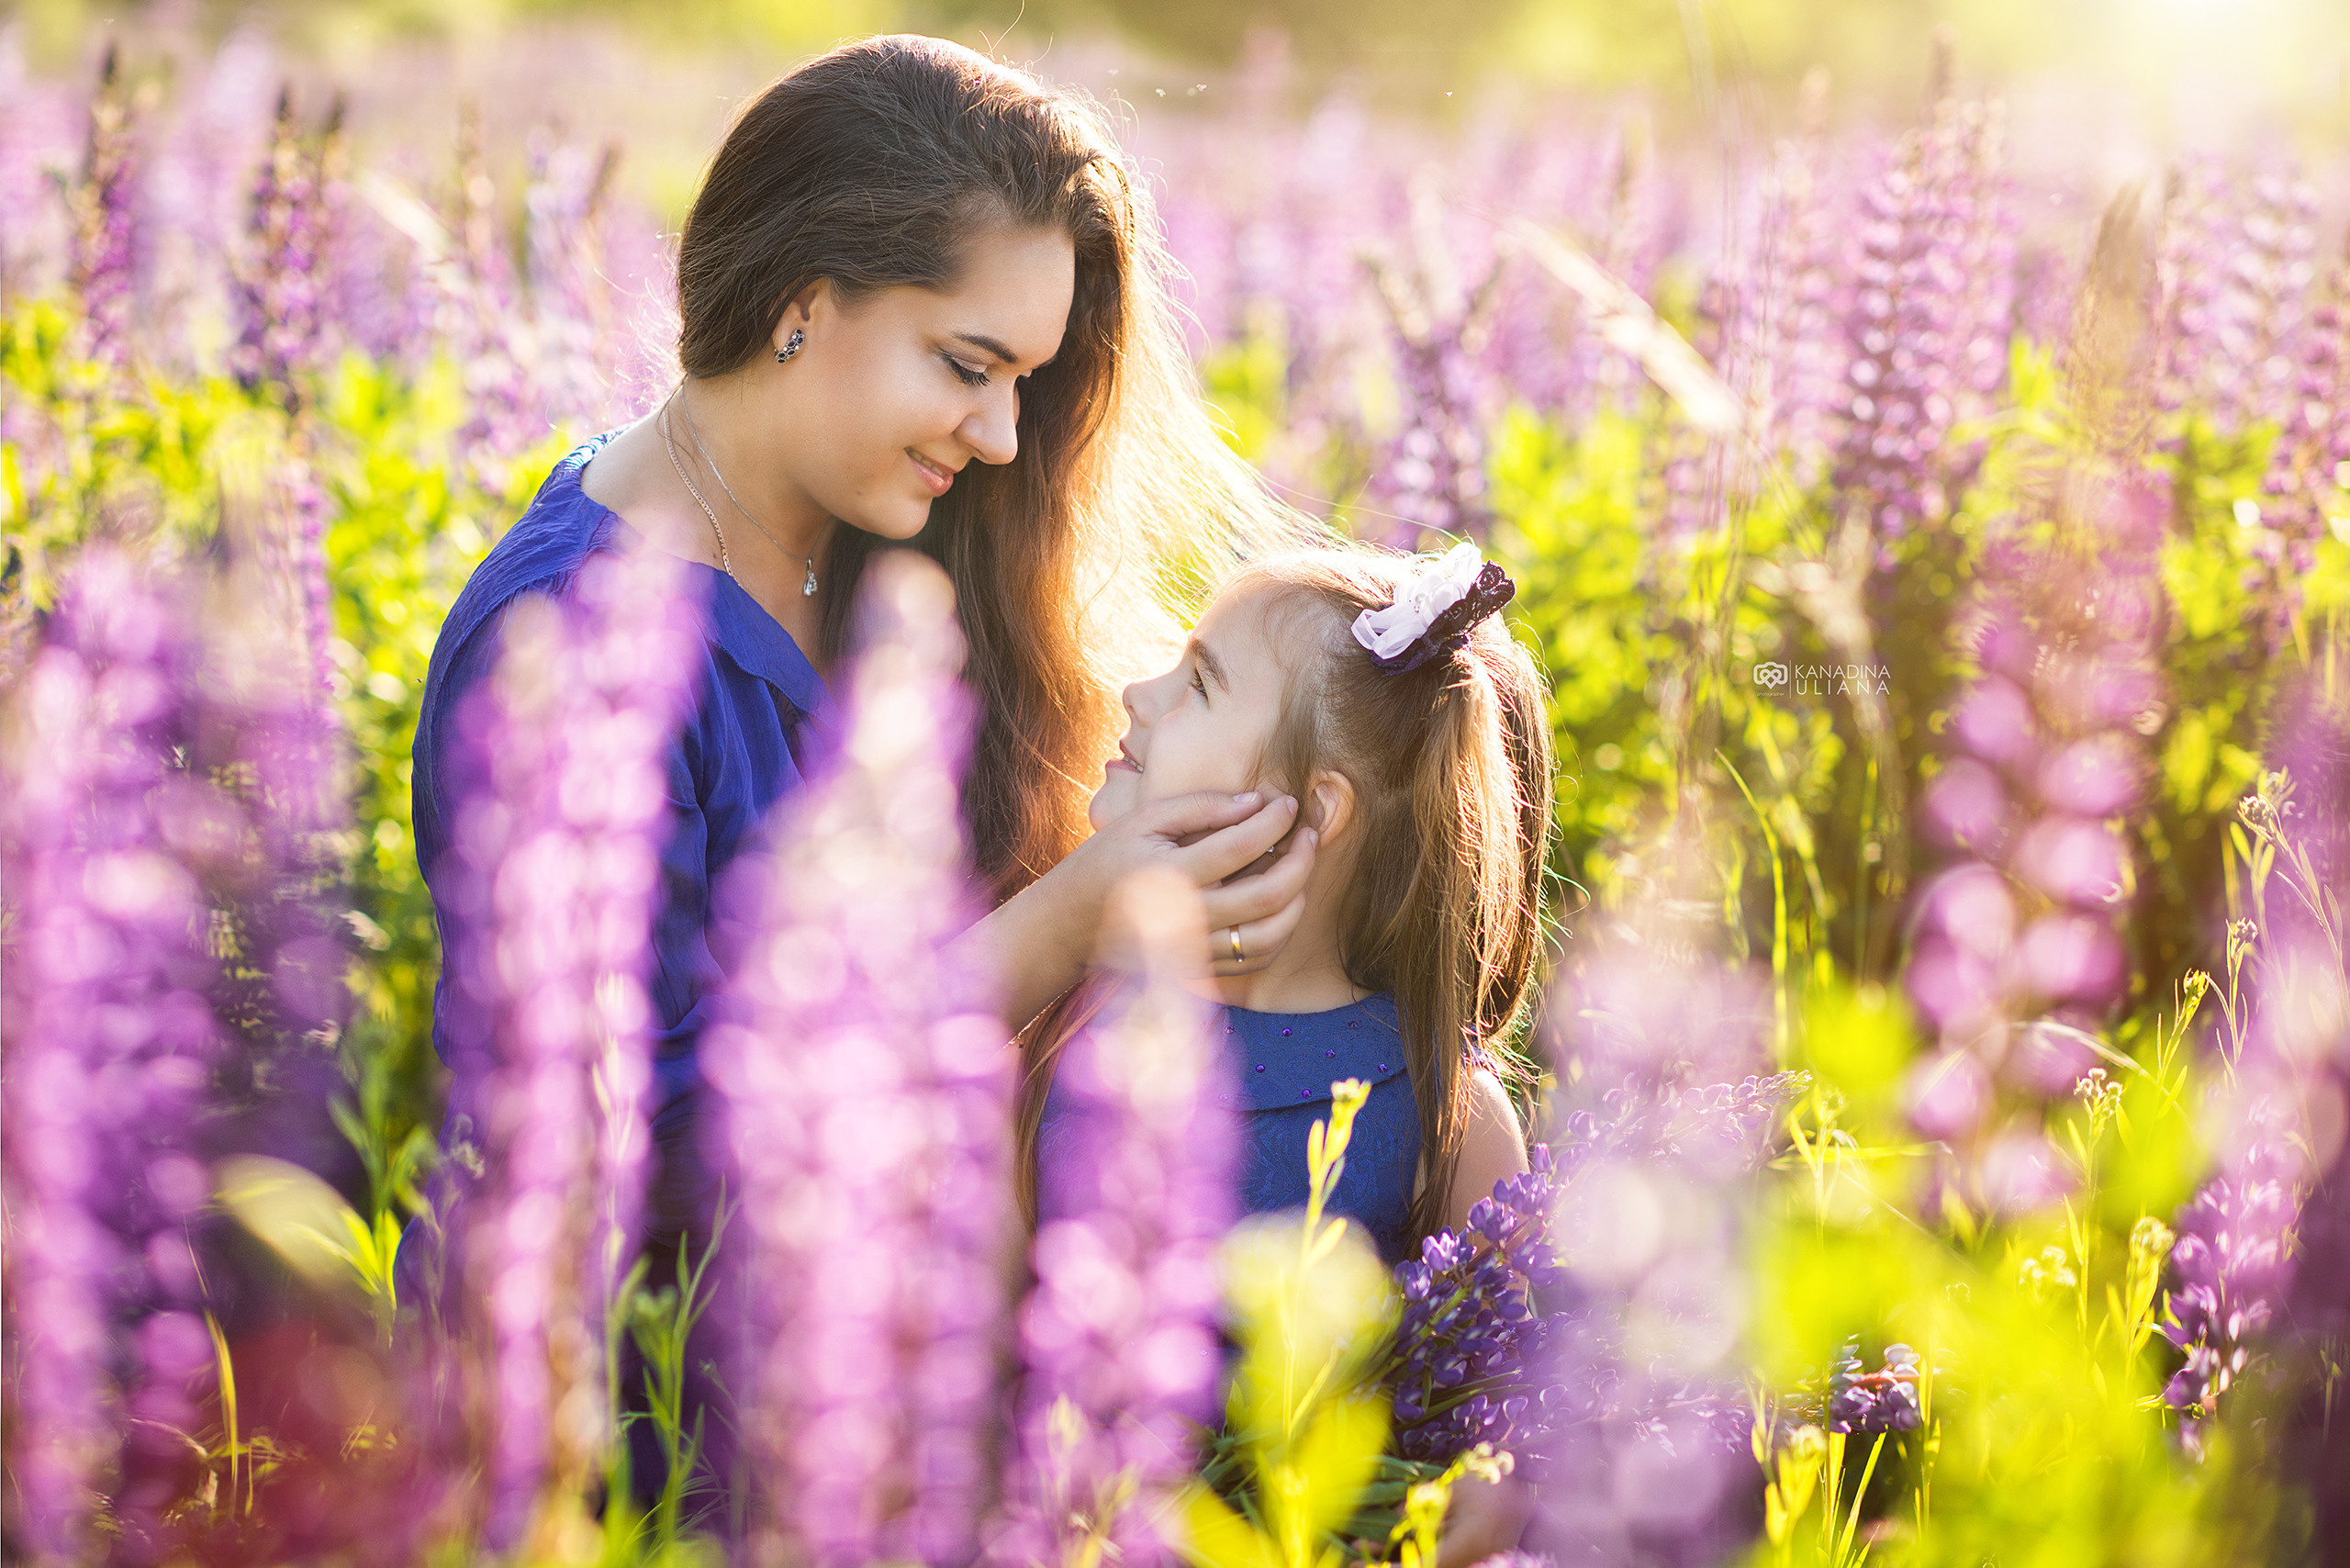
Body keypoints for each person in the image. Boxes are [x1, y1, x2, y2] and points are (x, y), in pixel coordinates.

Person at [402, 31, 1316, 1492]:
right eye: (969, 366)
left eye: (1028, 378)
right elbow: (669, 1175)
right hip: (650, 1457)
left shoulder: (895, 553)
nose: (1010, 436)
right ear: (803, 302)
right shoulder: (580, 637)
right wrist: (1064, 922)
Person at [1022, 539, 1555, 1559]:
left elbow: (1508, 1413)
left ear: (1315, 811)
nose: (1138, 692)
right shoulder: (1089, 1018)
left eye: (1199, 684)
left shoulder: (1440, 1101)